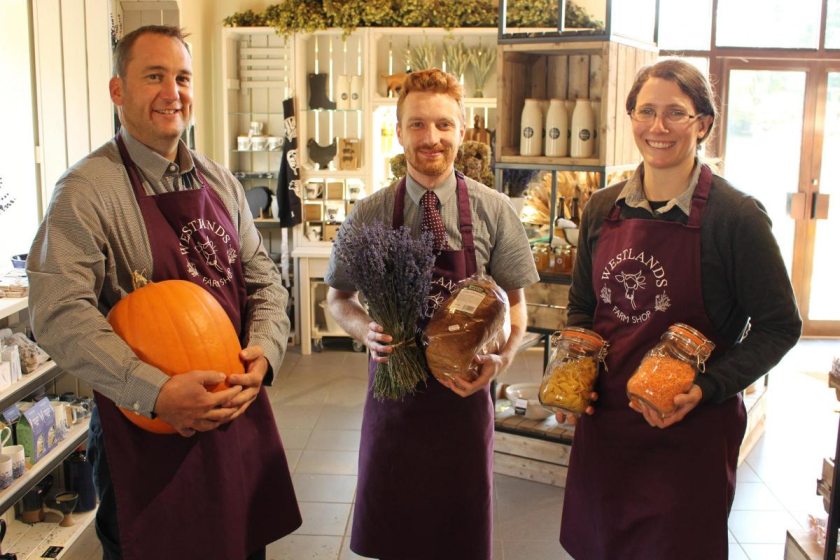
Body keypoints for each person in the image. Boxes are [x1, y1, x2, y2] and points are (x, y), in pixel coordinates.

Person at [26, 25, 301, 560]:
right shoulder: (86, 192)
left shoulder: (219, 182)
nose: (172, 93)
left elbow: (264, 279)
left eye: (181, 77)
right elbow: (57, 311)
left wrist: (263, 354)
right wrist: (154, 392)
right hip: (146, 433)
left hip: (235, 417)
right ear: (117, 91)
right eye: (154, 76)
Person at [557, 58, 802, 559]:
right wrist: (572, 378)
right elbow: (583, 308)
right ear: (631, 119)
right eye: (645, 111)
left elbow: (780, 325)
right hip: (608, 428)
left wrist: (708, 387)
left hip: (689, 434)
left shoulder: (735, 218)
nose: (658, 127)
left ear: (703, 123)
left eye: (675, 113)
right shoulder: (603, 208)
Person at [324, 68, 539, 560]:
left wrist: (500, 362)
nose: (431, 138)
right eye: (417, 125)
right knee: (394, 540)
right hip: (394, 404)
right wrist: (366, 331)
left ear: (463, 131)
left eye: (444, 125)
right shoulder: (370, 214)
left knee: (457, 539)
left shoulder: (494, 211)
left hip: (463, 406)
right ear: (398, 133)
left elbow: (518, 308)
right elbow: (336, 298)